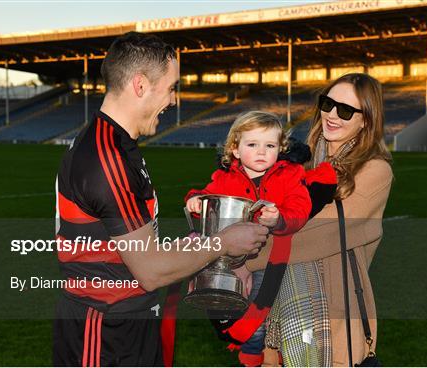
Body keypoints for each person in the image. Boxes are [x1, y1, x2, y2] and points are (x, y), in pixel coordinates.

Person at [53, 32, 268, 367]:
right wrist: (222, 244)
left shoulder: (117, 145)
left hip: (128, 323)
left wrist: (197, 246)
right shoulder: (105, 157)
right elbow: (150, 270)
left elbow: (138, 249)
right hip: (104, 336)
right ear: (140, 85)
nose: (174, 100)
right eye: (170, 87)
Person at [244, 73, 393, 366]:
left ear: (367, 120)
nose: (332, 115)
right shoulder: (301, 166)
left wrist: (242, 258)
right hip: (277, 313)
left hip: (333, 319)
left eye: (346, 110)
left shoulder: (375, 171)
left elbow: (318, 234)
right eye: (328, 103)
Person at [185, 110, 313, 366]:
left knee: (257, 313)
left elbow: (301, 209)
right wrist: (195, 199)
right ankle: (238, 336)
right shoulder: (225, 178)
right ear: (235, 149)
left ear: (281, 148)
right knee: (226, 308)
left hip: (269, 260)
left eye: (270, 146)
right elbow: (208, 195)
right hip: (230, 260)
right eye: (252, 145)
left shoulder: (289, 175)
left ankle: (252, 355)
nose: (261, 152)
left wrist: (279, 219)